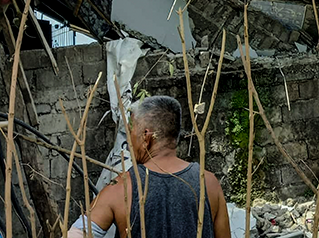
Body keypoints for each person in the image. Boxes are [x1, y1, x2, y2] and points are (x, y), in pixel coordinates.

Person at [68, 95, 230, 238]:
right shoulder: (209, 183)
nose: (129, 142)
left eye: (131, 133)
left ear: (146, 136)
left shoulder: (121, 188)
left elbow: (77, 234)